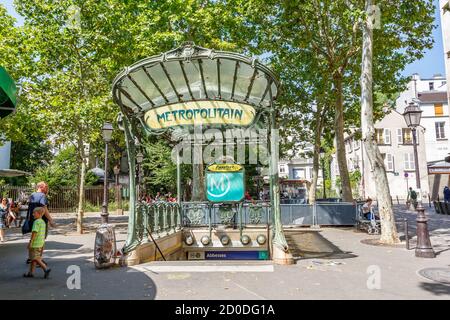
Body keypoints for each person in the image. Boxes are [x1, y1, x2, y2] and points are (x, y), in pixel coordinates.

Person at [24, 182, 55, 264]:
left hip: (33, 220)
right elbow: (44, 209)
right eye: (46, 187)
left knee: (33, 239)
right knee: (41, 240)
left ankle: (31, 257)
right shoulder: (42, 196)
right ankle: (38, 259)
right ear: (41, 187)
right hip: (41, 222)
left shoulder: (32, 195)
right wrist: (51, 220)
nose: (47, 188)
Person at [23, 207, 51, 279]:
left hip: (35, 243)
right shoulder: (43, 222)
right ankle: (31, 273)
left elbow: (34, 232)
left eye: (34, 213)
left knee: (35, 258)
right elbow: (43, 233)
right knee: (33, 259)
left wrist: (30, 242)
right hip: (40, 243)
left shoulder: (36, 222)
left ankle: (46, 268)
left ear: (39, 214)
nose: (33, 214)